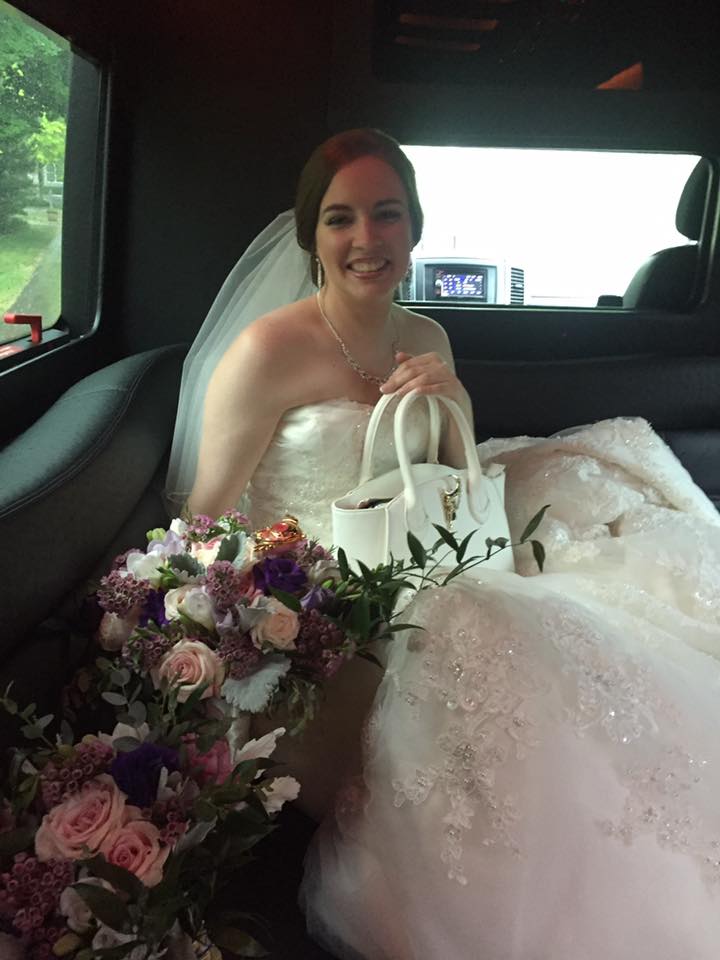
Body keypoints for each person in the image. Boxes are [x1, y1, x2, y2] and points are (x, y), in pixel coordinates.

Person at [166, 129, 720, 959]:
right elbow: (205, 521)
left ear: (414, 228)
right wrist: (274, 608)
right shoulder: (266, 352)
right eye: (340, 218)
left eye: (386, 215)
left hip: (419, 556)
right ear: (310, 236)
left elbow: (442, 486)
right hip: (315, 593)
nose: (366, 240)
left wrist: (452, 397)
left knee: (536, 628)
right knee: (485, 639)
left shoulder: (427, 339)